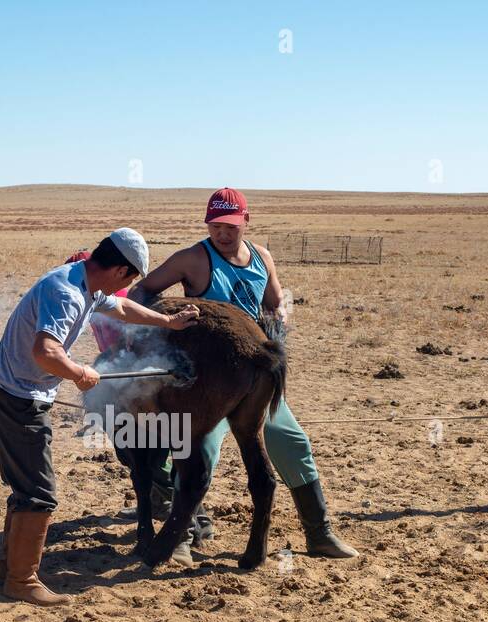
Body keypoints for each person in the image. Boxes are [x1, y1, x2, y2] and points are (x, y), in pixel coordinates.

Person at [129, 187, 357, 565]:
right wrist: (160, 333)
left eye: (231, 226)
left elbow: (275, 303)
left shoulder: (261, 258)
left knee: (292, 442)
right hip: (206, 379)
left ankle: (320, 532)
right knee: (197, 449)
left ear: (245, 222)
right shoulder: (193, 259)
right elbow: (143, 290)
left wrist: (277, 324)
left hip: (254, 372)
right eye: (216, 226)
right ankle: (182, 537)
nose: (223, 233)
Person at [0, 228, 198, 605]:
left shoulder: (85, 282)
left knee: (27, 485)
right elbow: (45, 352)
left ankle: (8, 567)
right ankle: (21, 579)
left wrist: (168, 322)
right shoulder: (67, 294)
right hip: (19, 397)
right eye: (130, 278)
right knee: (40, 492)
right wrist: (79, 372)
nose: (129, 286)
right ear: (119, 271)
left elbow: (121, 308)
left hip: (15, 389)